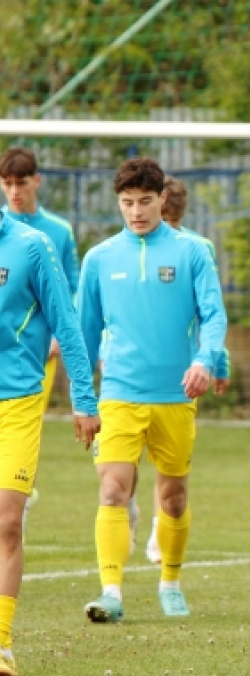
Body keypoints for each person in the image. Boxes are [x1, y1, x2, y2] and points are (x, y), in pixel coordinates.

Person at [76, 156, 227, 621]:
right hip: (119, 392)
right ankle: (112, 592)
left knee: (173, 498)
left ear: (163, 198)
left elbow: (214, 315)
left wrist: (206, 360)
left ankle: (171, 580)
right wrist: (84, 400)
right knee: (112, 491)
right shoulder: (99, 258)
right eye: (127, 202)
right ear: (118, 203)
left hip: (175, 397)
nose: (136, 211)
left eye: (145, 201)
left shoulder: (192, 252)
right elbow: (83, 332)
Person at [0, 207, 100, 676]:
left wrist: (83, 397)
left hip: (18, 401)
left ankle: (0, 644)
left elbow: (67, 324)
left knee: (7, 521)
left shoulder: (32, 245)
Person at [139, 175, 231, 565]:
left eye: (175, 222)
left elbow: (209, 312)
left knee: (167, 458)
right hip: (133, 367)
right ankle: (122, 509)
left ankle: (160, 528)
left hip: (182, 371)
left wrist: (217, 362)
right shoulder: (130, 246)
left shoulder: (197, 248)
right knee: (120, 459)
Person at [0, 147, 82, 536]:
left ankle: (17, 496)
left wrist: (57, 339)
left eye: (21, 182)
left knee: (27, 430)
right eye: (8, 183)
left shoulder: (55, 233)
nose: (14, 191)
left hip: (35, 356)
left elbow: (72, 291)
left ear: (37, 181)